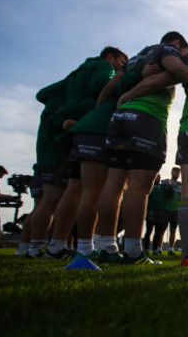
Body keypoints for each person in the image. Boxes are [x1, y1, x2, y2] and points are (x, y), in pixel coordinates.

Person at [93, 32, 188, 265]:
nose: (187, 55)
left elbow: (108, 89)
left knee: (114, 184)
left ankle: (106, 246)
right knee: (140, 185)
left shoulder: (137, 58)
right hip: (146, 118)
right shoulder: (168, 51)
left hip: (120, 117)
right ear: (177, 44)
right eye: (186, 50)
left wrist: (109, 110)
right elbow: (177, 73)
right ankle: (134, 250)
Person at [27, 47, 128, 259]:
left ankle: (51, 246)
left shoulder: (73, 76)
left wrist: (65, 109)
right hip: (87, 131)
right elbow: (105, 86)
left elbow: (43, 93)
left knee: (68, 190)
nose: (122, 66)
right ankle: (83, 246)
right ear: (110, 56)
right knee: (81, 191)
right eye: (122, 61)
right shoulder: (102, 67)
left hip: (70, 136)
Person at [142, 174, 168, 255]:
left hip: (161, 212)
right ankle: (146, 249)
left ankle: (155, 249)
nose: (159, 178)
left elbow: (169, 196)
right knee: (148, 231)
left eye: (159, 176)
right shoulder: (149, 186)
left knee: (158, 232)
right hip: (151, 210)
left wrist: (168, 186)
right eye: (157, 176)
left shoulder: (163, 187)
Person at [160, 166, 182, 256]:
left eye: (178, 172)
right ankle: (158, 249)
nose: (176, 174)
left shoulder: (181, 185)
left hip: (175, 210)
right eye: (175, 172)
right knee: (162, 230)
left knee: (173, 230)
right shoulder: (166, 182)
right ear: (172, 172)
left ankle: (170, 249)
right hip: (165, 209)